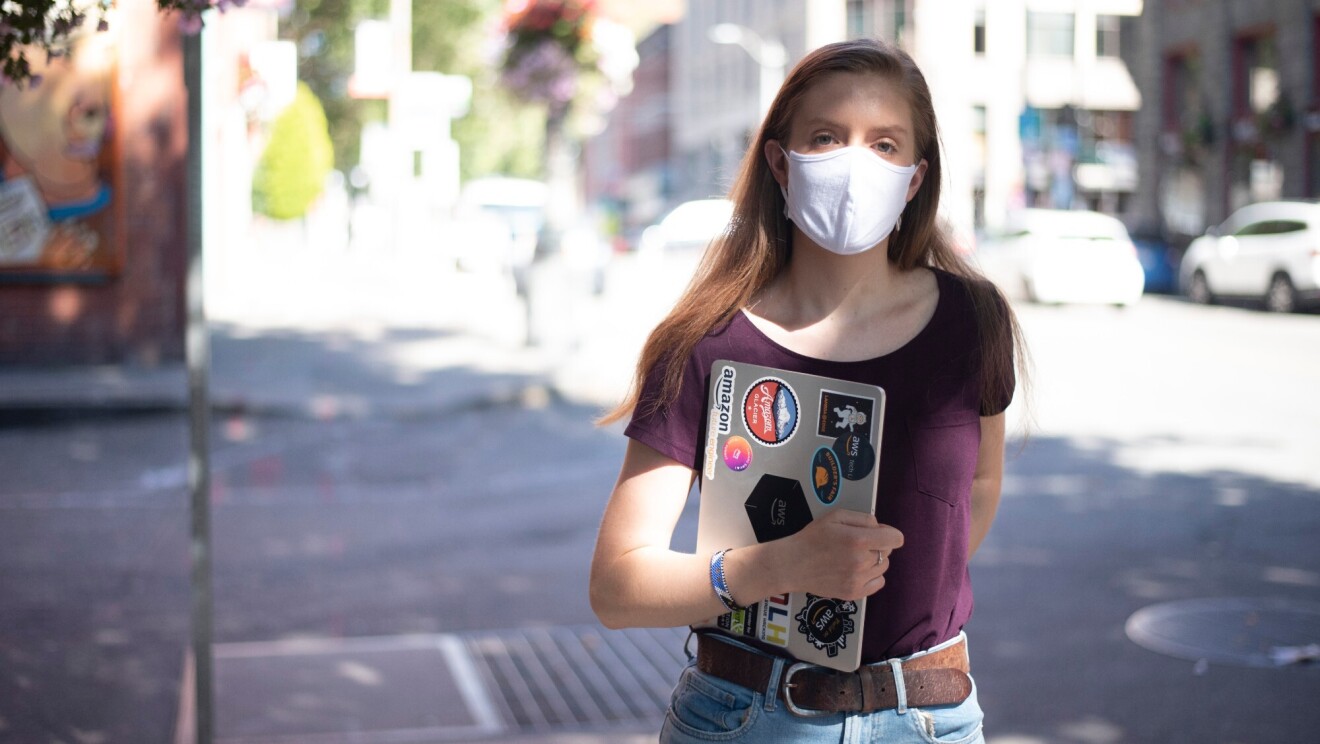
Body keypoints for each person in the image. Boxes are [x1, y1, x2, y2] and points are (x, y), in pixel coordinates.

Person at [589, 38, 1025, 743]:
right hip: (745, 718)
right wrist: (781, 567)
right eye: (827, 137)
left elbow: (977, 487)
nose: (856, 165)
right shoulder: (706, 341)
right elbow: (616, 584)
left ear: (915, 178)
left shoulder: (973, 323)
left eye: (885, 145)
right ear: (779, 162)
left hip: (932, 716)